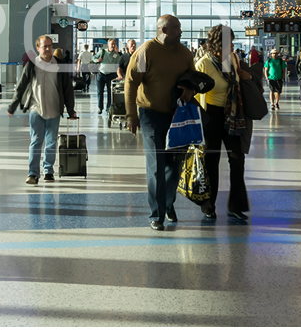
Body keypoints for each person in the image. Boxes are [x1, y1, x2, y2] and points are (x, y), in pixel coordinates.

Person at [125, 14, 197, 231]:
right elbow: (130, 83)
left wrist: (189, 89)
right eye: (177, 28)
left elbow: (194, 79)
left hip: (177, 116)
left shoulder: (184, 53)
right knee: (156, 165)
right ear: (163, 30)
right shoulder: (147, 51)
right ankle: (156, 214)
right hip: (150, 114)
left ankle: (168, 204)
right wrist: (131, 115)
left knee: (174, 166)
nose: (181, 31)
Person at [195, 25, 251, 222]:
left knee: (237, 159)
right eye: (230, 41)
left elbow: (238, 80)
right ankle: (208, 205)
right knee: (211, 161)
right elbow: (196, 93)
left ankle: (236, 206)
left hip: (232, 114)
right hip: (211, 114)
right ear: (219, 43)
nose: (233, 45)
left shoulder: (233, 60)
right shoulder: (204, 64)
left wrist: (245, 76)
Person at [8, 35, 76, 184]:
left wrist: (71, 110)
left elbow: (67, 89)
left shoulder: (59, 64)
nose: (47, 49)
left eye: (50, 46)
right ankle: (33, 173)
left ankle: (48, 171)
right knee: (36, 141)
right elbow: (21, 85)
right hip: (36, 108)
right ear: (38, 48)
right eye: (44, 46)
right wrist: (12, 106)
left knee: (51, 142)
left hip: (54, 109)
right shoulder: (32, 65)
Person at [93, 39, 123, 114]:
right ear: (108, 44)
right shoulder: (102, 52)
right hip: (101, 75)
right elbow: (93, 58)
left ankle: (108, 109)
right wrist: (97, 60)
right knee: (100, 92)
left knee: (110, 93)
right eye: (111, 44)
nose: (113, 45)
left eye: (114, 44)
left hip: (111, 76)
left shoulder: (116, 55)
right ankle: (100, 108)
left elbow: (118, 66)